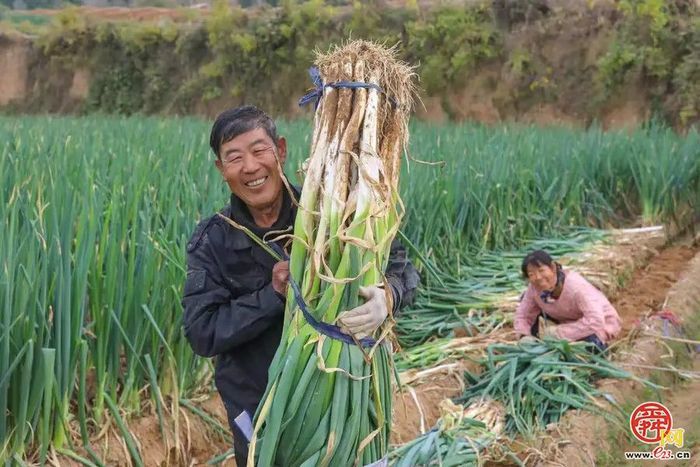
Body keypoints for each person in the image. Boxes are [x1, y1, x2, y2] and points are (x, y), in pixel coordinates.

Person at [181, 105, 420, 466]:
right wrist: (272, 294)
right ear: (221, 169)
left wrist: (388, 297)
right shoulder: (213, 241)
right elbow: (202, 333)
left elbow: (403, 267)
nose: (250, 167)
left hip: (349, 401)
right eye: (234, 158)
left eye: (259, 150)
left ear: (280, 149)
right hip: (260, 412)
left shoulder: (334, 216)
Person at [514, 249, 621, 351]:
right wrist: (523, 335)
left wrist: (560, 333)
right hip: (567, 321)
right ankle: (538, 345)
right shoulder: (534, 288)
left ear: (553, 267)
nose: (538, 277)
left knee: (587, 348)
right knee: (527, 301)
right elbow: (523, 315)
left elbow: (596, 320)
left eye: (541, 270)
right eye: (531, 274)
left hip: (599, 325)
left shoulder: (577, 287)